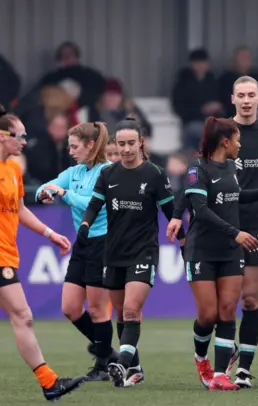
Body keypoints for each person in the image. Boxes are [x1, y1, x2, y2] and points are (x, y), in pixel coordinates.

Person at [0, 98, 86, 402]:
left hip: (4, 252)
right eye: (20, 136)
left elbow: (19, 210)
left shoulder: (13, 170)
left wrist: (50, 233)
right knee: (23, 315)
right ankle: (49, 382)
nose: (24, 141)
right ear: (3, 136)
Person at [169, 76, 258, 388]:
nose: (246, 100)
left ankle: (234, 372)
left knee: (242, 303)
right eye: (241, 95)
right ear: (232, 98)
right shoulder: (208, 154)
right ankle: (204, 358)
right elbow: (196, 198)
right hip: (215, 235)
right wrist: (177, 215)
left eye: (251, 95)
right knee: (210, 314)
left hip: (251, 227)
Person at [78, 116, 185, 388]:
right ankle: (135, 368)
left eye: (131, 144)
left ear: (141, 143)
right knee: (120, 313)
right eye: (121, 144)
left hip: (143, 252)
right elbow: (94, 204)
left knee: (131, 309)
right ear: (115, 144)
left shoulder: (154, 174)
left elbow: (171, 212)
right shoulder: (108, 174)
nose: (126, 149)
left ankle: (120, 365)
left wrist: (184, 242)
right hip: (113, 253)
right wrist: (86, 223)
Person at [35, 121, 118, 381]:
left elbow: (96, 203)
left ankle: (103, 365)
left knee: (97, 309)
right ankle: (112, 353)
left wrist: (65, 194)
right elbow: (45, 186)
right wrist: (43, 194)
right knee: (70, 307)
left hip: (104, 243)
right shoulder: (75, 172)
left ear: (90, 145)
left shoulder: (108, 172)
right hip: (83, 243)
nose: (70, 151)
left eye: (74, 146)